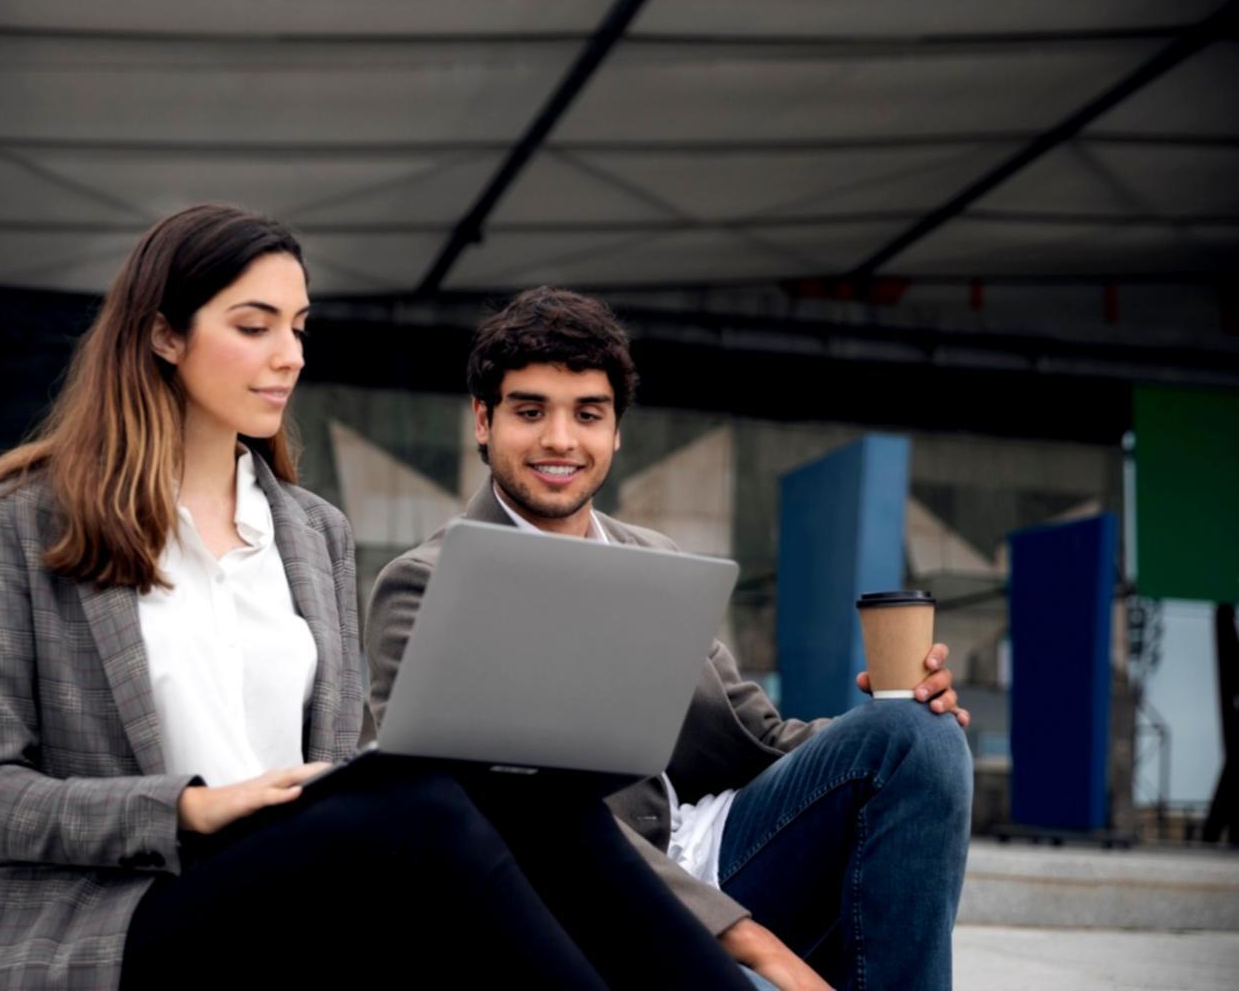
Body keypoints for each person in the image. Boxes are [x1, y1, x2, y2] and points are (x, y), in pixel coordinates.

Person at [0, 205, 751, 990]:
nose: (288, 355)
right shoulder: (27, 520)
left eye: (298, 328)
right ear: (163, 335)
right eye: (254, 327)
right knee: (426, 810)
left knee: (529, 796)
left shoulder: (310, 530)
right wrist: (190, 808)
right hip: (131, 920)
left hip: (301, 892)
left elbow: (335, 760)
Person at [366, 286, 974, 991]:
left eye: (587, 414)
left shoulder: (656, 559)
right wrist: (747, 939)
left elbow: (758, 738)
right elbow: (492, 815)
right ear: (483, 420)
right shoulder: (427, 584)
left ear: (616, 430)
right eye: (530, 412)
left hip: (717, 853)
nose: (560, 440)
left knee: (919, 734)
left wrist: (891, 720)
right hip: (573, 905)